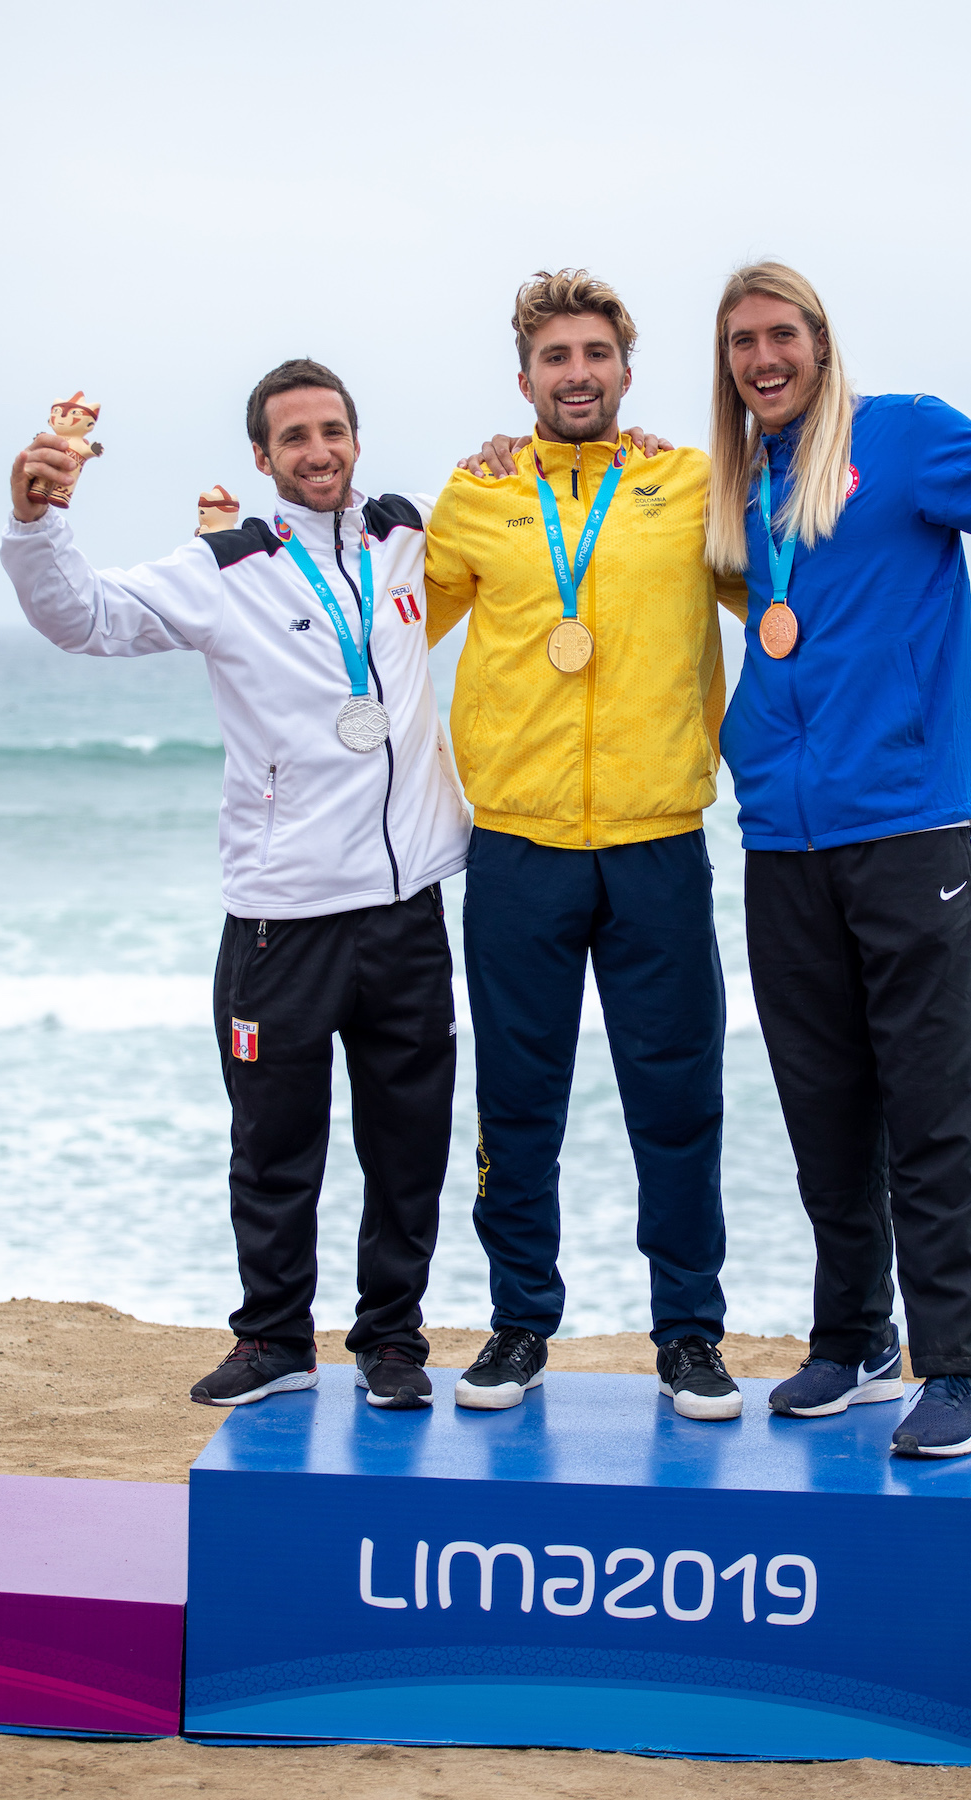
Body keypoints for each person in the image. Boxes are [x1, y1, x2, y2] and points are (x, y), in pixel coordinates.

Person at [1, 358, 471, 1410]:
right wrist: (37, 525)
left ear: (357, 439)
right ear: (262, 458)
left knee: (409, 1147)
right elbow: (82, 618)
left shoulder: (410, 535)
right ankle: (274, 1341)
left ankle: (391, 1342)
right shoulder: (224, 568)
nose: (319, 452)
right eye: (294, 437)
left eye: (333, 431)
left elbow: (516, 533)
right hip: (282, 921)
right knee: (273, 1148)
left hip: (407, 912)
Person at [707, 260, 971, 1456]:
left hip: (906, 828)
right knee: (822, 1107)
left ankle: (958, 1368)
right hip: (780, 839)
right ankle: (854, 1339)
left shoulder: (908, 438)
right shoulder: (738, 486)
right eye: (741, 344)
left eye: (782, 335)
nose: (763, 360)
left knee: (933, 1111)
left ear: (822, 345)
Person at [424, 269, 749, 1420]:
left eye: (595, 355)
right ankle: (518, 1327)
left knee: (678, 1097)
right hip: (519, 846)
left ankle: (691, 1337)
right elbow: (378, 620)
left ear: (625, 368)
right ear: (525, 380)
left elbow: (787, 588)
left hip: (661, 841)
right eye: (555, 359)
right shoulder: (476, 496)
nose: (577, 375)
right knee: (518, 1101)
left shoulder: (690, 482)